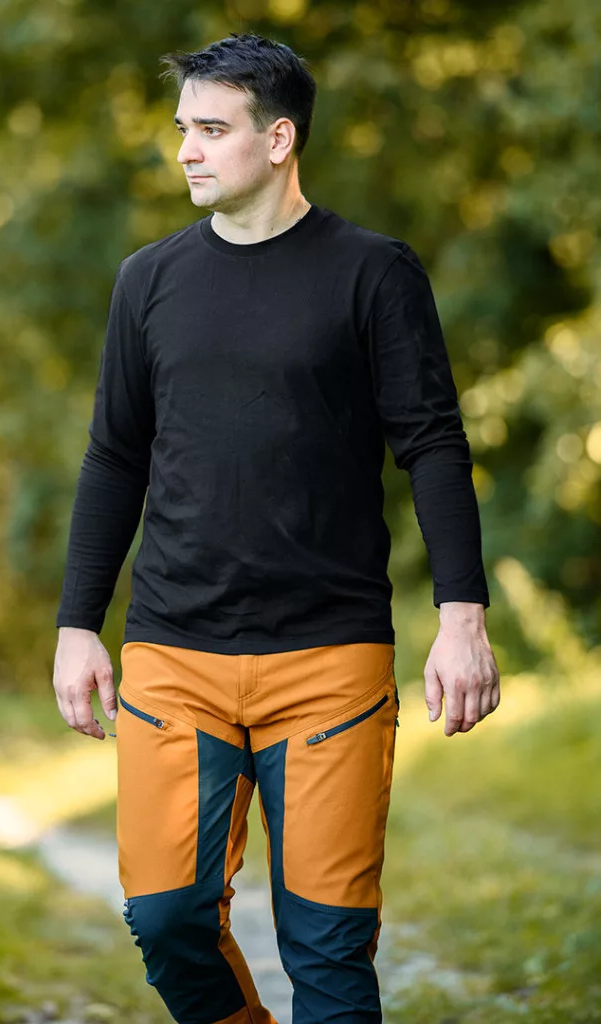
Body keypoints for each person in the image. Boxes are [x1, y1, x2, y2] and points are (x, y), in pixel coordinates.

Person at [53, 31, 500, 1024]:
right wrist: (77, 623)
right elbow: (114, 456)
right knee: (166, 917)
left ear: (279, 138)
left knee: (329, 949)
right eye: (183, 128)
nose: (186, 150)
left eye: (212, 130)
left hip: (329, 657)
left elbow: (432, 443)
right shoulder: (147, 281)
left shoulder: (372, 273)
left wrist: (461, 617)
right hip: (174, 652)